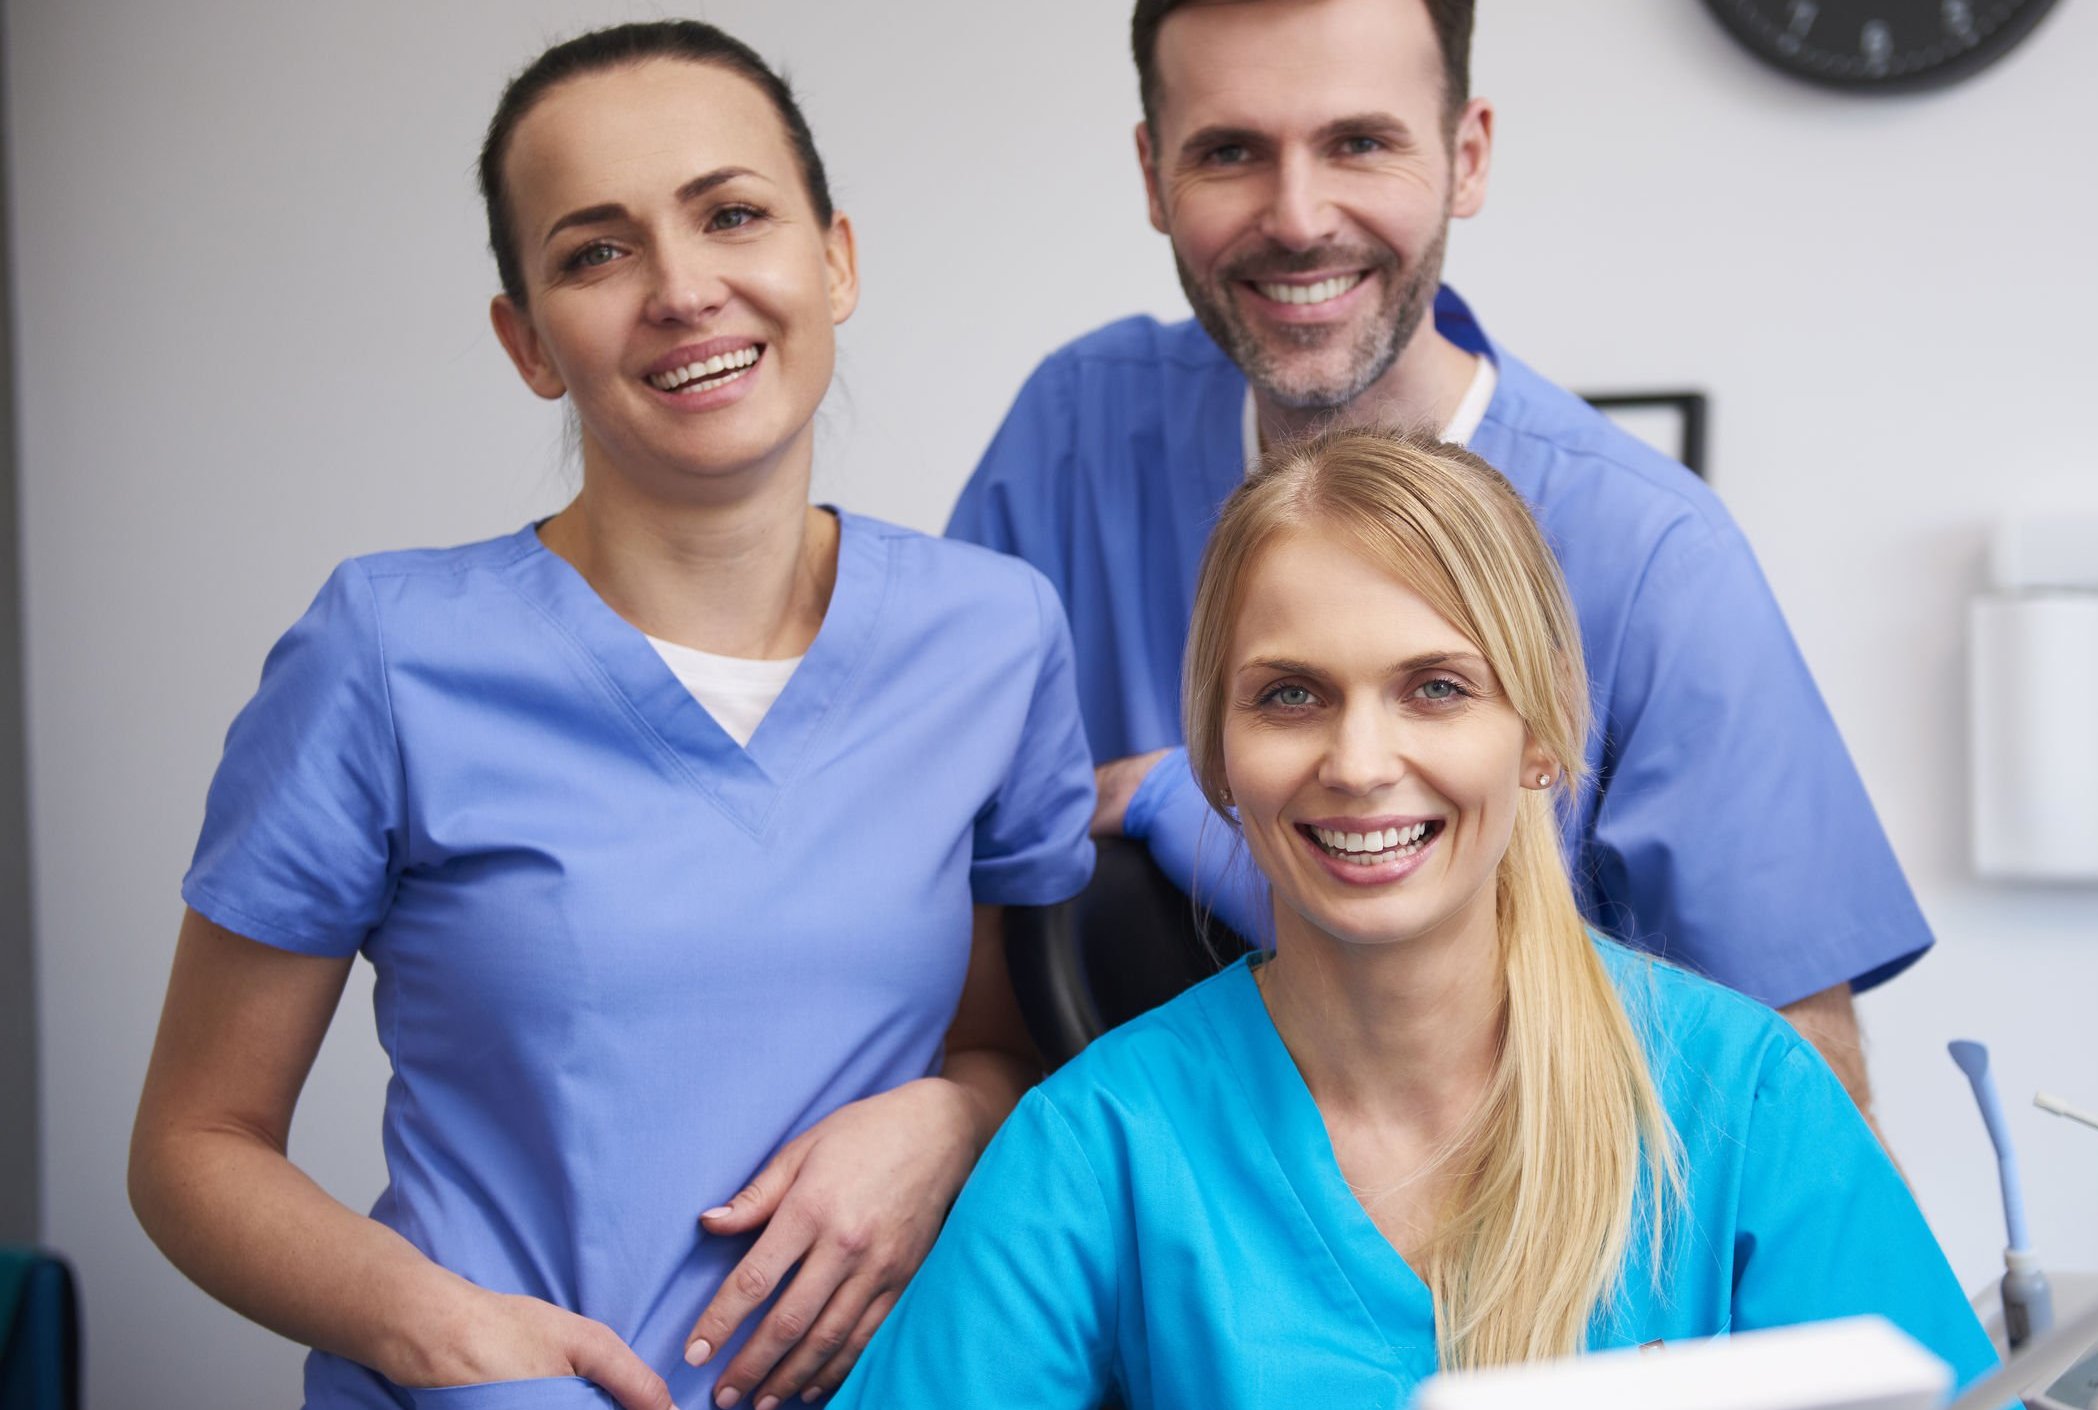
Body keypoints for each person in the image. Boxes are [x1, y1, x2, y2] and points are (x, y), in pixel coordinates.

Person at [125, 22, 1093, 1410]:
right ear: (527, 342)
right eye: (596, 251)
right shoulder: (388, 654)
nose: (683, 288)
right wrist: (436, 1332)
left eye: (732, 215)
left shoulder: (993, 638)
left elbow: (999, 1040)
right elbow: (193, 1142)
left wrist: (954, 1116)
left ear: (834, 260)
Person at [838, 429, 1997, 1408]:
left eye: (1435, 689)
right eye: (1290, 696)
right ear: (1218, 753)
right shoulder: (1102, 1145)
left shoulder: (1739, 1101)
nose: (1357, 762)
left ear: (1538, 732)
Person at [949, 0, 1926, 1119]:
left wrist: (1188, 809)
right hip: (1130, 1235)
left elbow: (1800, 1099)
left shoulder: (1652, 556)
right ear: (1153, 174)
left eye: (1359, 143)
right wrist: (954, 1102)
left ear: (1464, 158)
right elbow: (922, 859)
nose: (1299, 217)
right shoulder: (1077, 433)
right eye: (1228, 151)